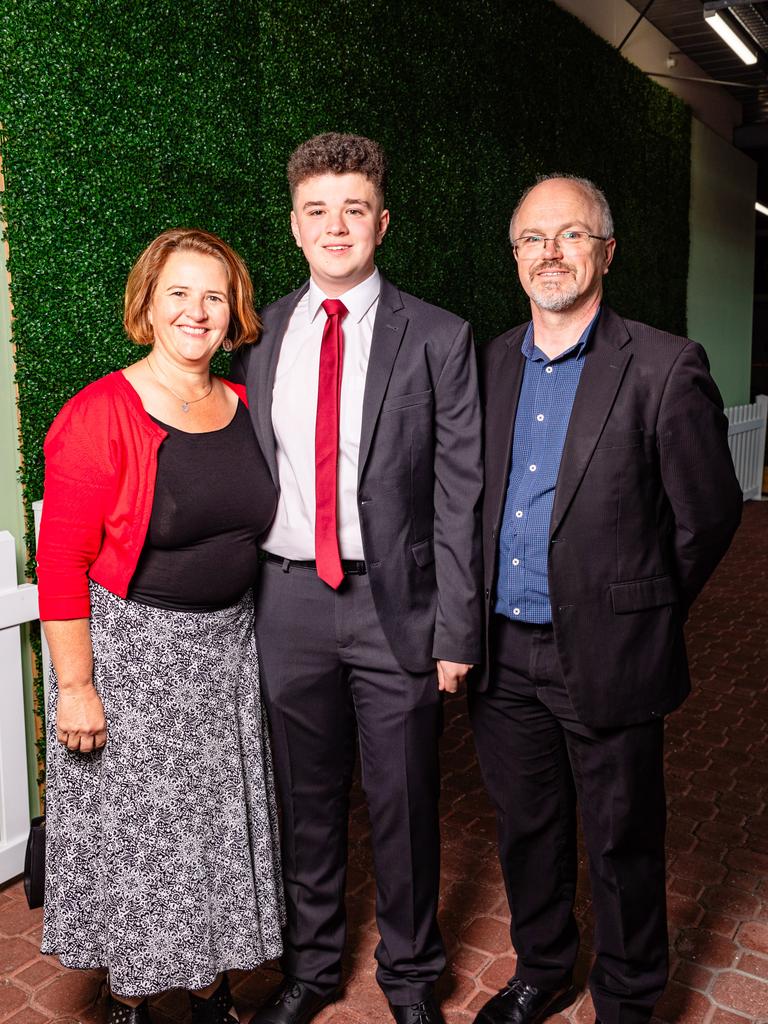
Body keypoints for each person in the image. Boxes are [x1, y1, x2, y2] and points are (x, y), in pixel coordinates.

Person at [470, 174, 742, 1024]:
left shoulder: (665, 364)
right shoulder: (491, 363)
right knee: (527, 829)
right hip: (503, 654)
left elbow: (709, 514)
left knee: (624, 841)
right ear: (515, 258)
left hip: (611, 651)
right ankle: (544, 969)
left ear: (606, 251)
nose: (551, 252)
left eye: (571, 235)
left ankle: (627, 997)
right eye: (532, 239)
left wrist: (641, 608)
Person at [230, 132, 483, 1024]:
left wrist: (458, 628)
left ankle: (412, 980)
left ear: (383, 220)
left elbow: (460, 493)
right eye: (316, 211)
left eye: (353, 209)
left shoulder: (440, 337)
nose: (335, 226)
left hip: (396, 606)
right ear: (294, 227)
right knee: (303, 799)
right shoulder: (256, 338)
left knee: (406, 799)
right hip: (287, 599)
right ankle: (311, 969)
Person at [37, 228, 284, 1024]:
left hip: (226, 655)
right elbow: (61, 563)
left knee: (212, 835)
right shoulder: (97, 414)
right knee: (146, 850)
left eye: (213, 295)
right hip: (134, 658)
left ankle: (210, 989)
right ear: (146, 305)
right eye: (177, 292)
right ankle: (134, 998)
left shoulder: (242, 402)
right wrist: (75, 687)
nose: (196, 311)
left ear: (233, 311)